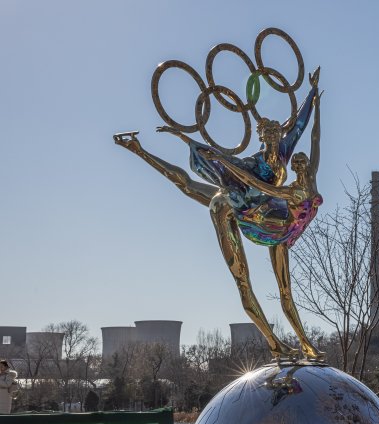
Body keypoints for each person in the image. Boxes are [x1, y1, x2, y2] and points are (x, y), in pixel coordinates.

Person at [114, 68, 325, 360]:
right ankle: (274, 342)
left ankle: (305, 344)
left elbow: (302, 127)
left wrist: (313, 94)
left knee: (285, 289)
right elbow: (217, 179)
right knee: (241, 275)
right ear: (262, 137)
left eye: (278, 132)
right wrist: (179, 143)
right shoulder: (251, 162)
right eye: (269, 134)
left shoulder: (286, 152)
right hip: (243, 213)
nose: (276, 137)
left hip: (276, 222)